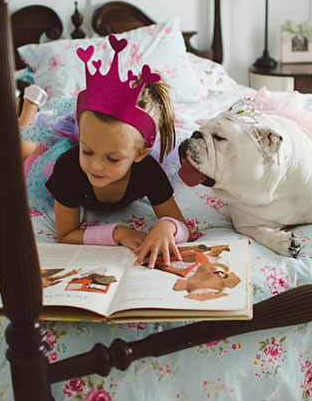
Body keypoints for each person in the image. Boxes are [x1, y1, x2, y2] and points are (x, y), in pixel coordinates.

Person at [19, 35, 189, 268]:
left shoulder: (148, 171)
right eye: (88, 152)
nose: (96, 165)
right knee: (21, 155)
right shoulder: (68, 168)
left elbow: (181, 225)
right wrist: (117, 233)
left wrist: (166, 226)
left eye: (113, 158)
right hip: (62, 152)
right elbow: (66, 235)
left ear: (139, 155)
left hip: (109, 143)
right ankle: (30, 103)